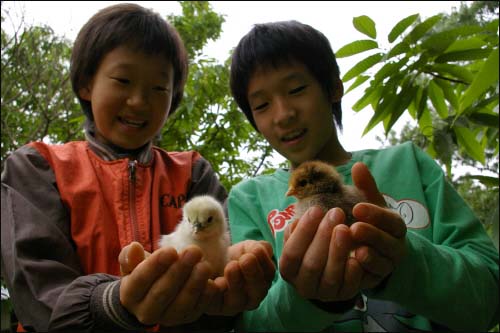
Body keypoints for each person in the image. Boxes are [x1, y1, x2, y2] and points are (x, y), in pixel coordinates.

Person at [0, 4, 274, 332]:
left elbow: (221, 277)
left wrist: (235, 289)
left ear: (172, 98)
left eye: (159, 88)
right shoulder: (37, 166)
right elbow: (37, 289)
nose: (139, 100)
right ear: (87, 83)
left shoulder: (193, 173)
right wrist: (112, 303)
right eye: (123, 80)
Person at [227, 20, 499, 332]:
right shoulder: (249, 199)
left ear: (333, 86)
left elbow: (489, 294)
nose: (283, 114)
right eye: (261, 105)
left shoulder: (408, 163)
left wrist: (403, 260)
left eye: (297, 89)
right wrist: (307, 298)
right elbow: (251, 323)